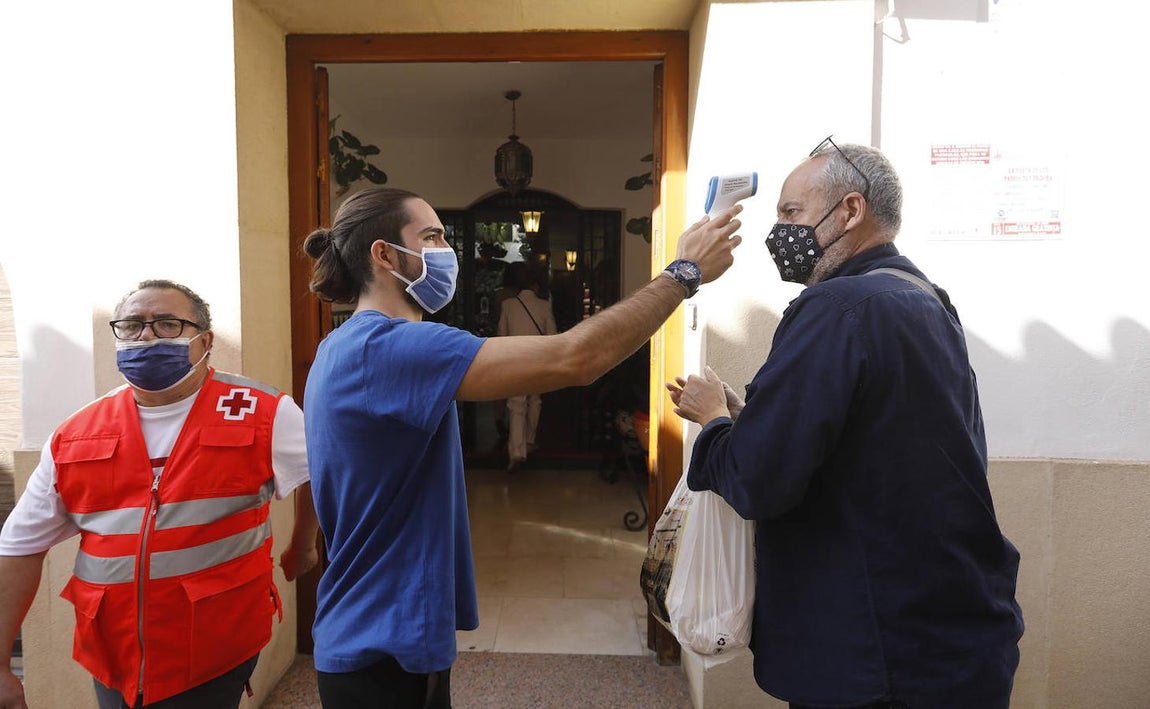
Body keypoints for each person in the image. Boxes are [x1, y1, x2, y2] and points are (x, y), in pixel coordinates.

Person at [302, 186, 741, 708]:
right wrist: (682, 274)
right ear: (384, 255)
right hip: (381, 646)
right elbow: (575, 358)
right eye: (432, 236)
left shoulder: (347, 344)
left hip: (371, 631)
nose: (449, 251)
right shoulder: (388, 348)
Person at [667, 138, 1024, 709]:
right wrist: (746, 416)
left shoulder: (837, 308)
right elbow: (872, 440)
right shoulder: (924, 299)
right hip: (951, 637)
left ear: (851, 211)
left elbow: (758, 481)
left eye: (790, 213)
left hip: (873, 652)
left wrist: (712, 422)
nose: (776, 232)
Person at [0, 280, 319, 709]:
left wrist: (304, 544)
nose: (146, 335)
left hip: (216, 648)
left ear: (204, 341)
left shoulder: (262, 411)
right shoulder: (76, 434)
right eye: (131, 325)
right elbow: (19, 546)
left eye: (167, 324)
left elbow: (318, 475)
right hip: (111, 653)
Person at [496, 264, 558, 472]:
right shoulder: (544, 306)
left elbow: (501, 336)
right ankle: (530, 440)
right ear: (536, 285)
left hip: (514, 359)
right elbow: (552, 336)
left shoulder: (507, 306)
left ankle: (516, 451)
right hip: (538, 360)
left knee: (516, 405)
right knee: (535, 400)